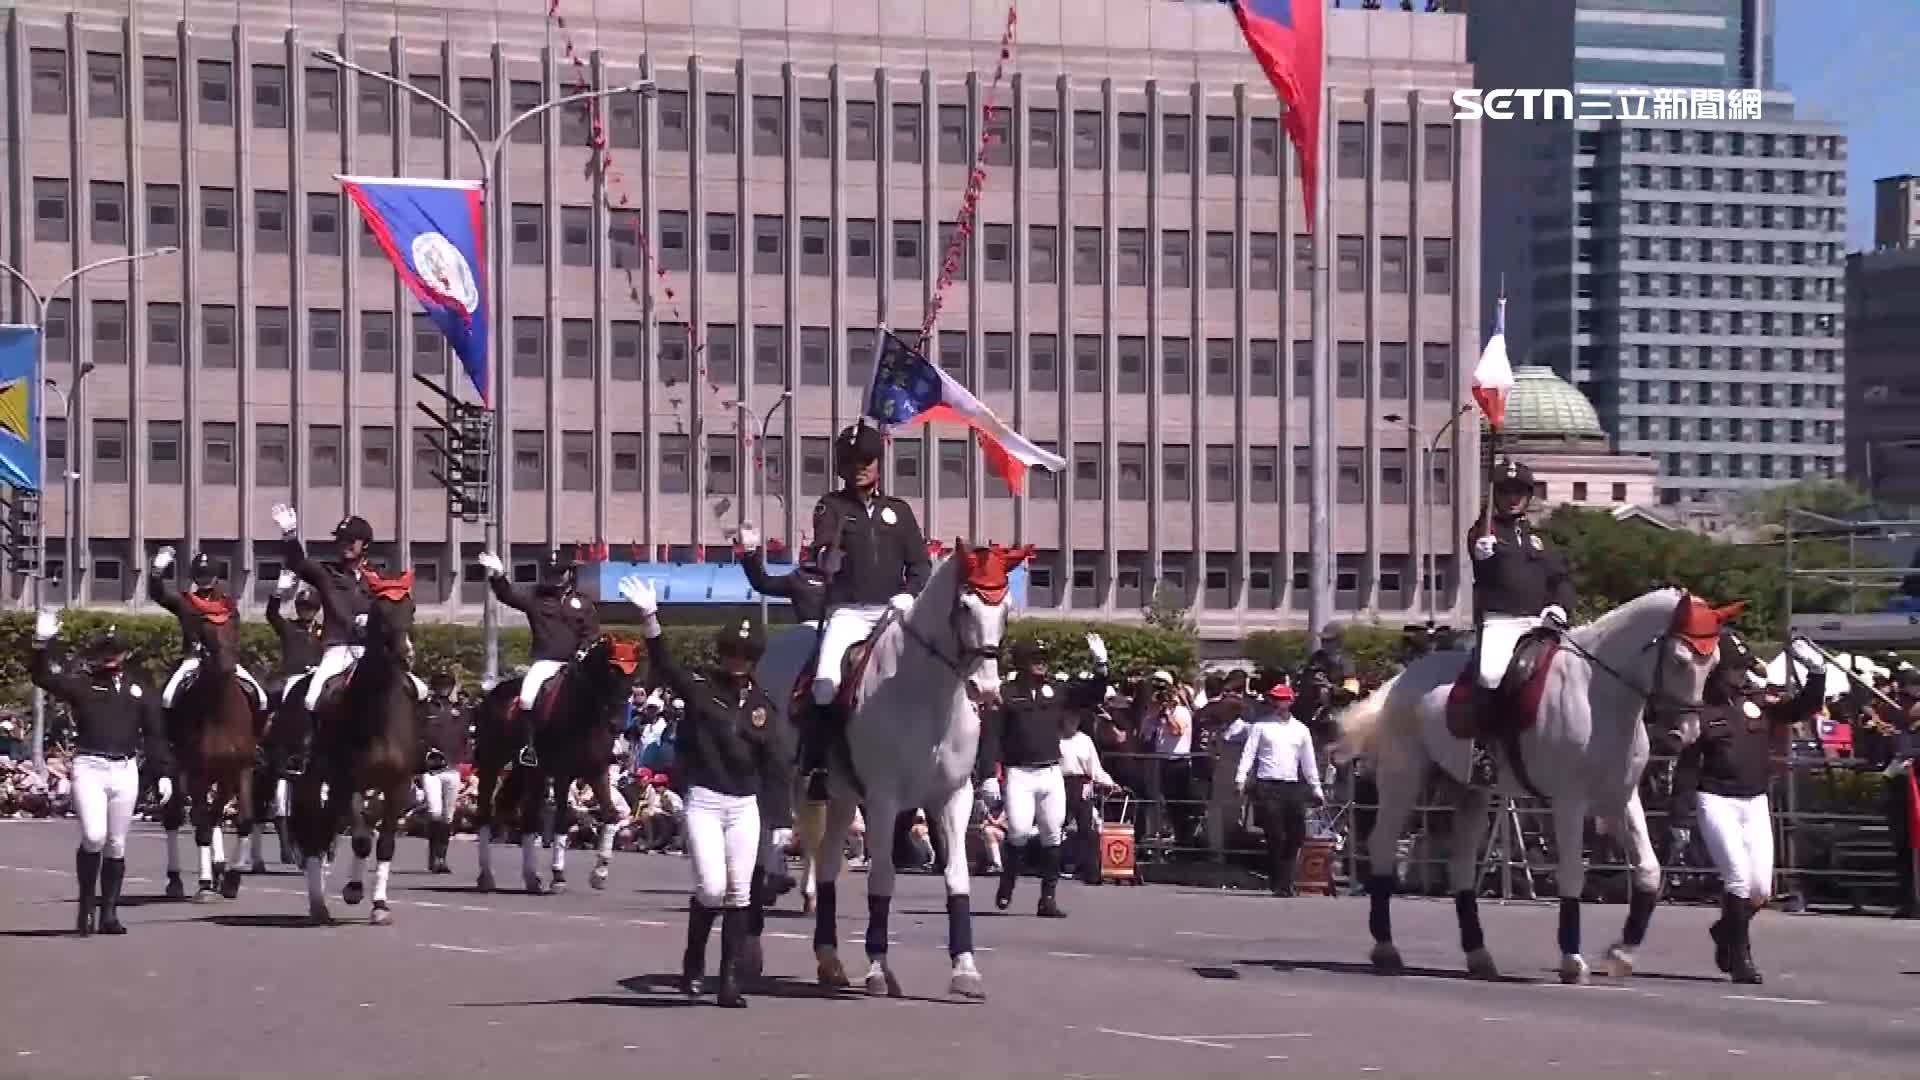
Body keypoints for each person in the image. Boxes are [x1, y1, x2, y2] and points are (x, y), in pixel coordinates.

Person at [619, 574, 791, 1009]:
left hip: (745, 806)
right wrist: (650, 618)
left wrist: (782, 823)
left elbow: (775, 766)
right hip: (706, 801)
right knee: (711, 888)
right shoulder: (700, 688)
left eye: (746, 654)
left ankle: (729, 980)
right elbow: (666, 664)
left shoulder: (762, 706)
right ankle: (693, 960)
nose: (737, 660)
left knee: (740, 892)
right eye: (732, 651)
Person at [1671, 635, 1826, 984]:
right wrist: (1679, 817)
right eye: (1732, 670)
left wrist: (1817, 673)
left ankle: (1727, 930)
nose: (1739, 677)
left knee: (1760, 891)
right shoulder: (1703, 711)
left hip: (1755, 800)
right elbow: (1688, 767)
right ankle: (1741, 958)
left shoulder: (1757, 701)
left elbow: (1799, 709)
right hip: (1716, 799)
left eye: (1742, 669)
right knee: (1738, 880)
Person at [30, 611, 173, 935]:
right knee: (93, 836)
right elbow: (44, 678)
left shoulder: (140, 688)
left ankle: (108, 914)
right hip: (90, 767)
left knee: (116, 844)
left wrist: (163, 771)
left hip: (124, 770)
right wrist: (41, 645)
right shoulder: (84, 685)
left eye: (116, 649)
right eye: (105, 650)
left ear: (125, 653)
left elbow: (154, 734)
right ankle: (85, 906)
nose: (110, 655)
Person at [805, 423, 931, 773]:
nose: (860, 466)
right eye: (851, 460)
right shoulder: (830, 506)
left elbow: (920, 564)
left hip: (894, 612)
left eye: (866, 460)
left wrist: (910, 594)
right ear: (841, 466)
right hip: (848, 612)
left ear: (878, 463)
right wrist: (827, 557)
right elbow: (821, 549)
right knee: (825, 683)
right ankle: (820, 765)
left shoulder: (899, 511)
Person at [1461, 460, 1576, 786]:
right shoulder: (1484, 531)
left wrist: (1560, 607)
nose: (1513, 498)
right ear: (1496, 495)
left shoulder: (1539, 535)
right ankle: (1484, 748)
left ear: (1528, 496)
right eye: (1506, 491)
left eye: (1519, 492)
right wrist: (1481, 553)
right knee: (1490, 672)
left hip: (1541, 621)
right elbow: (1480, 560)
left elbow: (1561, 577)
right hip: (1502, 621)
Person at [989, 634, 1109, 917]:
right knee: (1017, 831)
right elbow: (992, 736)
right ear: (1022, 662)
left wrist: (1101, 666)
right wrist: (988, 775)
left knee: (1052, 834)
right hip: (1019, 772)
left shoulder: (1056, 690)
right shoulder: (1007, 694)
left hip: (1051, 771)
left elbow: (1092, 694)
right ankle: (1008, 881)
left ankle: (1048, 899)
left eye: (1044, 658)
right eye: (1035, 658)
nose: (1041, 663)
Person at [271, 505, 374, 769]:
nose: (345, 545)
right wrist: (289, 535)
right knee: (311, 696)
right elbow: (298, 563)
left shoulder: (376, 580)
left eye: (351, 540)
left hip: (371, 651)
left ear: (365, 545)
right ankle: (305, 754)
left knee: (415, 689)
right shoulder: (327, 573)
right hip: (338, 649)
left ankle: (419, 752)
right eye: (341, 540)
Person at [479, 548, 599, 768]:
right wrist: (498, 576)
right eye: (551, 574)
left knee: (602, 697)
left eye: (559, 573)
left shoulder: (583, 603)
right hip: (546, 663)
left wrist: (584, 649)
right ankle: (529, 747)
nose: (555, 578)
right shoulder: (535, 598)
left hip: (576, 664)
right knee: (526, 697)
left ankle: (599, 748)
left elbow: (591, 632)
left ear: (569, 574)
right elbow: (508, 595)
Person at [150, 548, 270, 714]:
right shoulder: (184, 602)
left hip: (226, 659)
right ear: (194, 578)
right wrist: (157, 572)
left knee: (261, 698)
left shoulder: (228, 605)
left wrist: (229, 655)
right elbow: (158, 594)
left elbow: (234, 634)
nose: (204, 579)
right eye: (200, 575)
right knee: (168, 697)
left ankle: (256, 737)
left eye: (208, 575)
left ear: (215, 577)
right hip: (194, 659)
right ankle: (168, 738)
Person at [1234, 676, 1324, 897]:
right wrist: (1241, 777)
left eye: (1282, 699)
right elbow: (1249, 753)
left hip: (1291, 785)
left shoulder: (1301, 730)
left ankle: (1285, 878)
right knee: (1275, 834)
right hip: (1267, 784)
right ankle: (1280, 882)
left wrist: (1316, 787)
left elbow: (1308, 761)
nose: (1279, 703)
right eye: (1276, 699)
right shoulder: (1261, 726)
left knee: (1297, 834)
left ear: (1290, 701)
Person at [1059, 688, 1120, 885]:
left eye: (1075, 718)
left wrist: (1109, 782)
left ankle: (1091, 871)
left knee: (1087, 828)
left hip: (1081, 785)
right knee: (1055, 826)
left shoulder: (1084, 740)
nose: (1072, 721)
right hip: (1058, 783)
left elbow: (1094, 767)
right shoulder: (1055, 738)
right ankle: (1053, 866)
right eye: (1069, 717)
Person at [418, 670, 469, 874]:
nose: (444, 688)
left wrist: (465, 758)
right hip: (431, 769)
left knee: (448, 816)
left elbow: (466, 736)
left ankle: (442, 857)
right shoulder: (425, 709)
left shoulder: (461, 710)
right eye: (441, 684)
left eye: (448, 685)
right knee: (434, 811)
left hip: (452, 767)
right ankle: (433, 856)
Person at [737, 523, 827, 626]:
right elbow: (763, 584)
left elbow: (763, 584)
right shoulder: (800, 579)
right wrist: (750, 552)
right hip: (814, 632)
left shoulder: (841, 579)